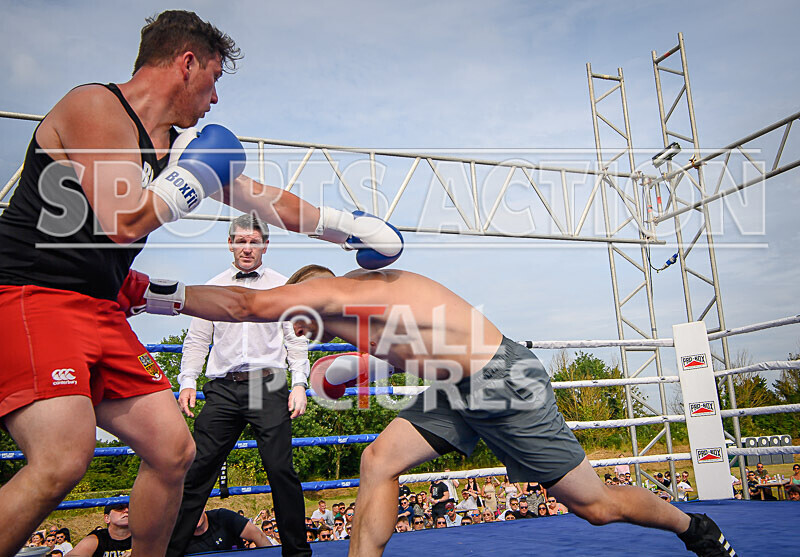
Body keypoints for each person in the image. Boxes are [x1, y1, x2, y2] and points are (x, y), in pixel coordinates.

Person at [0, 9, 403, 557]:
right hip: (31, 294)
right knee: (63, 457)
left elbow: (260, 198)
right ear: (187, 64)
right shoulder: (95, 106)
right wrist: (191, 180)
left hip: (102, 307)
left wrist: (345, 229)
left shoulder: (168, 147)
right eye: (213, 80)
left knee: (172, 450)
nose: (214, 100)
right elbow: (123, 221)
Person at [166, 265, 738, 557]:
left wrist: (152, 293)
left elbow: (247, 306)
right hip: (451, 388)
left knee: (596, 507)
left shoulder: (341, 292)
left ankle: (695, 528)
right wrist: (338, 371)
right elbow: (374, 362)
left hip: (503, 381)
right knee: (378, 460)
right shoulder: (364, 315)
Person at [168, 214, 312, 557]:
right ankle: (170, 552)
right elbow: (196, 341)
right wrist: (187, 381)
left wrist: (300, 384)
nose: (247, 248)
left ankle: (297, 553)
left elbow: (296, 341)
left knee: (280, 470)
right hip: (223, 388)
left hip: (268, 385)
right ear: (230, 244)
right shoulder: (211, 286)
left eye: (254, 241)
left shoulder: (283, 286)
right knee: (197, 471)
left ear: (265, 245)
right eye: (241, 241)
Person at [185, 507, 270, 554]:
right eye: (188, 512)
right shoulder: (178, 533)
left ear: (203, 507)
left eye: (196, 509)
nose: (194, 516)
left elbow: (259, 536)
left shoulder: (223, 517)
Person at [67, 503, 132, 557]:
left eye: (130, 507)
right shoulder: (96, 538)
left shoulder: (141, 537)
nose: (126, 510)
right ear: (107, 518)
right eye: (120, 508)